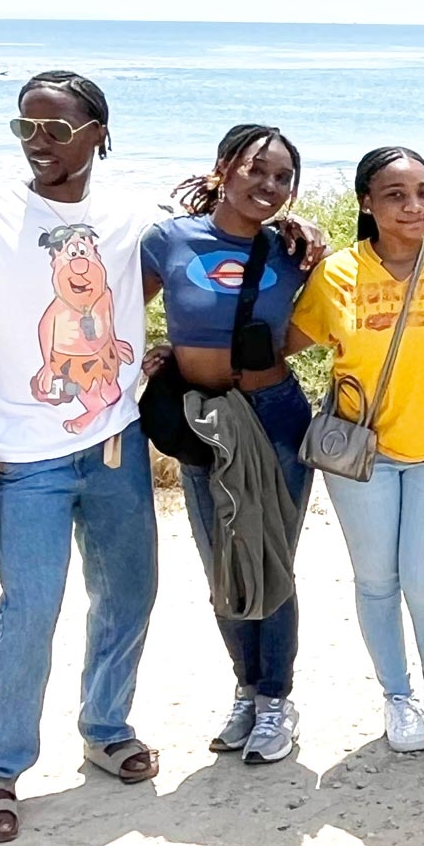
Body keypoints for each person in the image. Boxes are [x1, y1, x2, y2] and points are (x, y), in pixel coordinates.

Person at [0, 71, 159, 842]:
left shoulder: (127, 215)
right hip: (21, 460)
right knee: (29, 611)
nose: (40, 143)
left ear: (99, 133)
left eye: (57, 129)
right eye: (26, 128)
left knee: (129, 593)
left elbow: (153, 276)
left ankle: (106, 725)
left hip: (116, 440)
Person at [289, 146, 424, 753]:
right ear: (367, 204)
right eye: (396, 195)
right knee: (376, 581)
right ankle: (398, 698)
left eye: (423, 192)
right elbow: (281, 345)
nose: (414, 206)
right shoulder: (336, 274)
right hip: (361, 456)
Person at [141, 124, 316, 764]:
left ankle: (276, 700)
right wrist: (163, 352)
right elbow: (111, 311)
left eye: (282, 178)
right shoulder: (168, 240)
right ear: (223, 168)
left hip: (274, 415)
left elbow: (323, 317)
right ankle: (246, 689)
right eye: (256, 170)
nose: (268, 186)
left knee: (270, 558)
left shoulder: (295, 251)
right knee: (222, 560)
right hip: (201, 418)